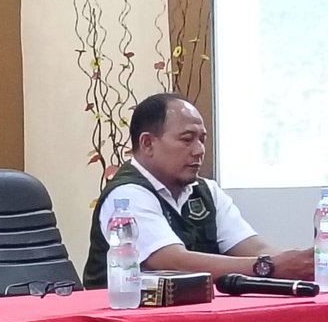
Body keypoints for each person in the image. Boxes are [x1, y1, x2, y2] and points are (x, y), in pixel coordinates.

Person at [83, 93, 315, 287]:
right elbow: (172, 262)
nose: (199, 150)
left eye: (202, 139)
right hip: (124, 320)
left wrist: (304, 264)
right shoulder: (126, 195)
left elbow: (254, 248)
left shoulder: (206, 191)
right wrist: (267, 267)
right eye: (187, 140)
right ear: (147, 144)